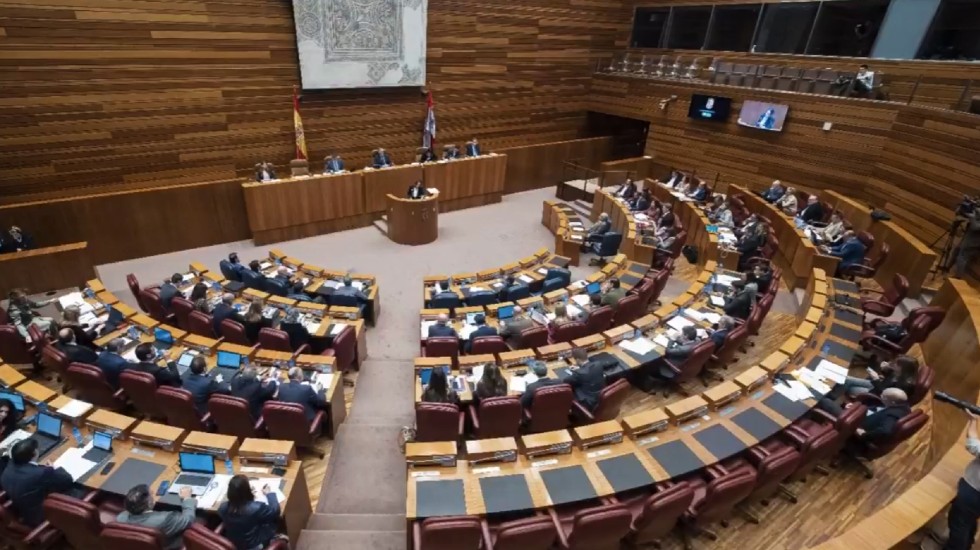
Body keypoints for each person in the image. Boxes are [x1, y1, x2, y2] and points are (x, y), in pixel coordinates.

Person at [1, 439, 75, 526]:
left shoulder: (7, 468)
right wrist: (53, 468)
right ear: (35, 453)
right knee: (77, 489)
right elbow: (67, 479)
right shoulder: (40, 473)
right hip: (42, 517)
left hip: (24, 512)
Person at [116, 483, 197, 550]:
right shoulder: (166, 519)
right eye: (152, 494)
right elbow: (188, 519)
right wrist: (187, 498)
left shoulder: (120, 518)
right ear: (150, 503)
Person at [944, 409, 980, 550]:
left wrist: (973, 421)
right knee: (969, 521)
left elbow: (972, 444)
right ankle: (967, 545)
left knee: (959, 525)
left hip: (973, 492)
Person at [218, 475, 281, 550]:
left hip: (235, 542)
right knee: (275, 521)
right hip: (254, 544)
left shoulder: (222, 507)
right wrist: (269, 494)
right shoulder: (256, 507)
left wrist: (247, 496)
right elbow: (275, 510)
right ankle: (277, 538)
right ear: (247, 491)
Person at [845, 388, 910, 455]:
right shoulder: (904, 407)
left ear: (893, 402)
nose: (880, 396)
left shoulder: (892, 416)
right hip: (872, 417)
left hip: (857, 426)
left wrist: (864, 435)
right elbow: (881, 410)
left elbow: (885, 431)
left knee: (835, 407)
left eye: (883, 396)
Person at [953, 209, 980, 279]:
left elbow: (975, 227)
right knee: (956, 251)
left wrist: (972, 217)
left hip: (973, 243)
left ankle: (958, 277)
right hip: (969, 239)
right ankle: (947, 269)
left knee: (962, 257)